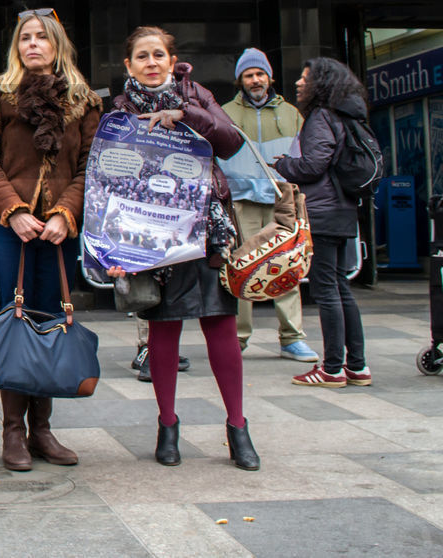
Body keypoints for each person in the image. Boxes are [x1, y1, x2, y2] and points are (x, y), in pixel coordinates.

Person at [104, 26, 259, 471]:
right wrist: (114, 248)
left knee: (221, 328)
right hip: (154, 237)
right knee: (164, 330)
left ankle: (237, 427)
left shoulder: (197, 95)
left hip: (208, 230)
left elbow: (229, 143)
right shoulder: (119, 110)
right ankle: (167, 425)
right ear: (128, 66)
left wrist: (185, 114)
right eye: (141, 56)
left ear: (172, 62)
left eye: (158, 55)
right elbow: (110, 179)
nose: (151, 62)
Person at [0, 8, 102, 471]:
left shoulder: (84, 102)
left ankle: (42, 430)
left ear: (57, 44)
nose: (33, 44)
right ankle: (12, 433)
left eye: (42, 37)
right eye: (25, 37)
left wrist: (66, 212)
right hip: (10, 230)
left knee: (50, 322)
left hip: (60, 231)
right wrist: (15, 209)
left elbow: (90, 166)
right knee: (16, 323)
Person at [276, 58, 371, 389]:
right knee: (341, 287)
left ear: (322, 83)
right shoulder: (348, 114)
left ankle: (331, 369)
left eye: (306, 79)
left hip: (323, 212)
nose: (299, 84)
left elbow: (314, 165)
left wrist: (285, 164)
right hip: (343, 210)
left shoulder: (321, 116)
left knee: (326, 290)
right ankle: (356, 366)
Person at [219, 48, 319, 362]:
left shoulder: (292, 113)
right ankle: (238, 340)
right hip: (242, 201)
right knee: (240, 268)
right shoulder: (225, 113)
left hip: (282, 200)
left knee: (286, 265)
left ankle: (292, 338)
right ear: (240, 80)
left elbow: (306, 155)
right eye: (248, 75)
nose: (255, 80)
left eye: (260, 73)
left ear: (269, 76)